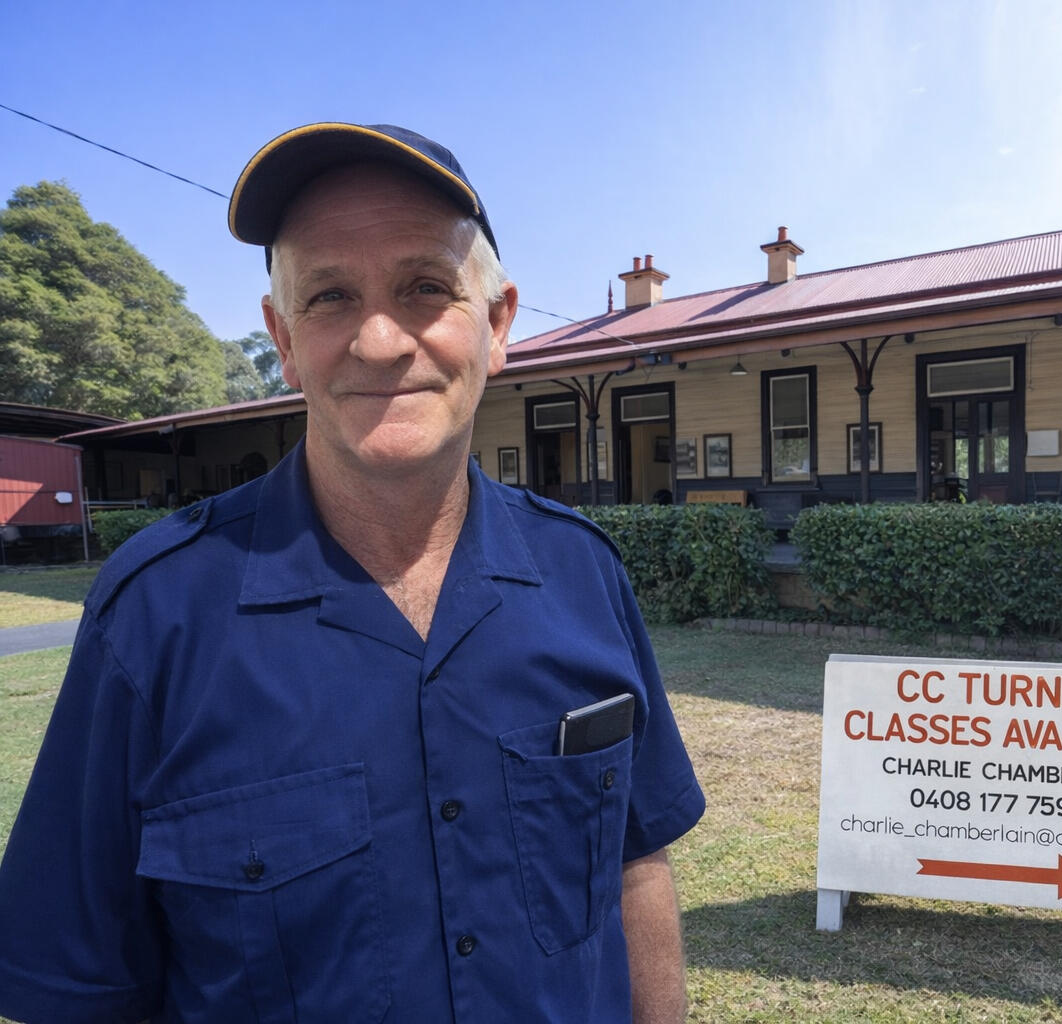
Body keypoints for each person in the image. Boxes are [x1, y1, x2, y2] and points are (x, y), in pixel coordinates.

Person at [0, 123, 706, 1023]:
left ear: (496, 325)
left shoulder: (584, 571)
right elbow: (80, 988)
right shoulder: (155, 614)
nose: (379, 341)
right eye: (331, 296)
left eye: (425, 287)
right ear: (284, 339)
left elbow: (637, 862)